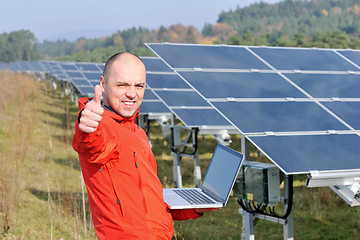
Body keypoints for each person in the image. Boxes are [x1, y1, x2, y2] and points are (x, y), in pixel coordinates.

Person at [72, 52, 212, 239]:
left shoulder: (138, 134)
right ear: (103, 84)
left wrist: (194, 208)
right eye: (122, 85)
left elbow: (151, 201)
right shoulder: (101, 127)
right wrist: (86, 122)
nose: (132, 93)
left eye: (139, 85)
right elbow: (91, 144)